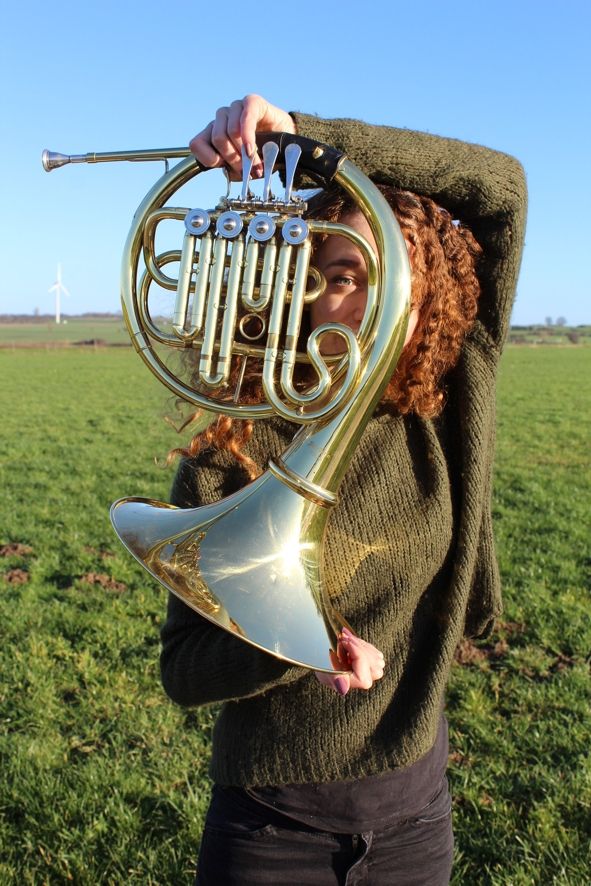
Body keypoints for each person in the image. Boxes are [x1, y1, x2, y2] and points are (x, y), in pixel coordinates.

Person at [160, 95, 527, 885]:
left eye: (388, 281)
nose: (357, 307)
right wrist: (292, 645)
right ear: (297, 286)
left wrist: (315, 141)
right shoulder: (239, 440)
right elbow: (183, 671)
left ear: (427, 297)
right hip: (269, 823)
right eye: (336, 276)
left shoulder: (453, 395)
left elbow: (501, 189)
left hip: (415, 815)